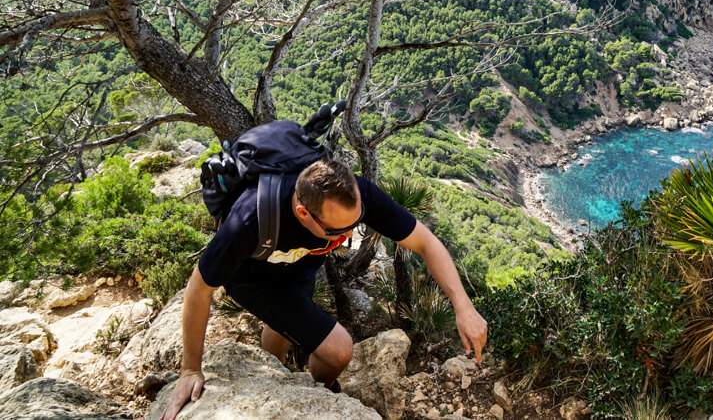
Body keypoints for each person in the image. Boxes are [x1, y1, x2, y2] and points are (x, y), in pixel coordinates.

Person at [160, 158, 487, 420]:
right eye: (340, 230)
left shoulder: (354, 196)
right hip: (252, 277)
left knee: (283, 326)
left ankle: (277, 372)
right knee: (338, 350)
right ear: (304, 213)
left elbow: (426, 242)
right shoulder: (249, 219)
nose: (348, 237)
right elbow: (198, 289)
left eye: (356, 222)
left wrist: (463, 305)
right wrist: (191, 369)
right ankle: (319, 386)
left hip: (299, 266)